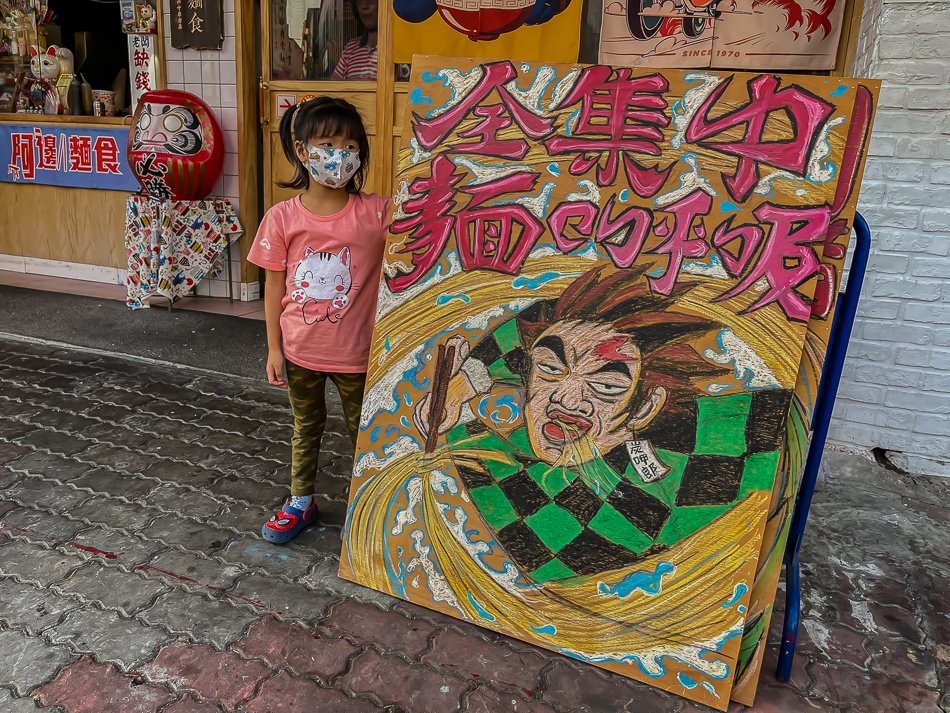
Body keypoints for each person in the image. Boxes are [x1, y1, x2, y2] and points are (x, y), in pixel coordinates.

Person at [414, 266, 791, 582]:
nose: (566, 398)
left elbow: (538, 551)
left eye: (607, 386)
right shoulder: (564, 420)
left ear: (646, 409)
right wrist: (471, 381)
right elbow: (525, 344)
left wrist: (463, 419)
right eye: (548, 369)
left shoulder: (658, 499)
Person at [248, 97, 389, 544]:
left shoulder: (378, 213)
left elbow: (427, 216)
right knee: (305, 426)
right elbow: (274, 288)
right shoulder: (281, 218)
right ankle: (300, 501)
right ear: (301, 148)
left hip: (358, 354)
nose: (339, 155)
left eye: (350, 145)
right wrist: (274, 348)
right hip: (299, 350)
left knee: (362, 432)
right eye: (328, 143)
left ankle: (372, 505)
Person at [331, 0, 378, 81]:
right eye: (359, 1)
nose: (364, 6)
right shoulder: (351, 47)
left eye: (370, 0)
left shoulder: (397, 47)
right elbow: (333, 88)